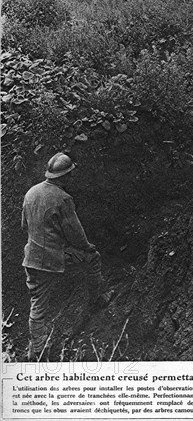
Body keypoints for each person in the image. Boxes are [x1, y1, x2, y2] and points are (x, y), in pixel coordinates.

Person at [22, 152, 111, 361]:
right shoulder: (62, 199)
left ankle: (37, 348)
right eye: (70, 174)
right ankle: (97, 299)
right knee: (93, 258)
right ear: (64, 176)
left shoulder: (31, 193)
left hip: (31, 258)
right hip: (53, 258)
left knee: (38, 302)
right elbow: (75, 233)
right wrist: (87, 247)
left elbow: (24, 226)